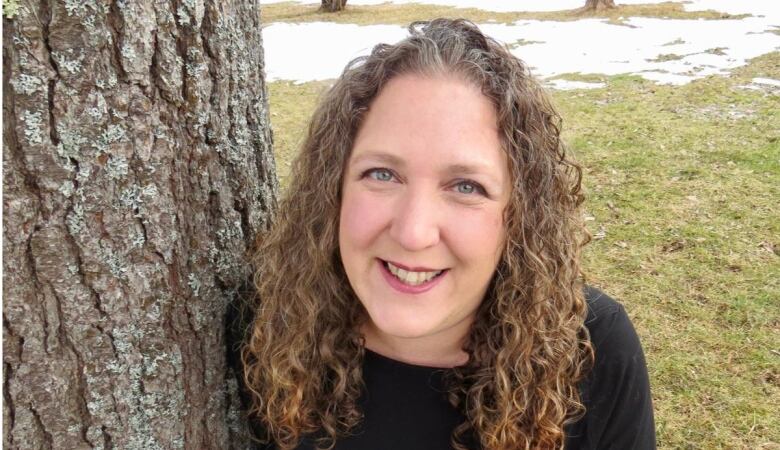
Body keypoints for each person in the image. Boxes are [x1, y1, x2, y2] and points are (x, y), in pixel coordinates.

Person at [229, 18, 655, 450]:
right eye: (382, 174)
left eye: (466, 186)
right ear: (332, 189)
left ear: (519, 214)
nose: (414, 233)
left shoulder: (590, 349)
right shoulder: (269, 327)